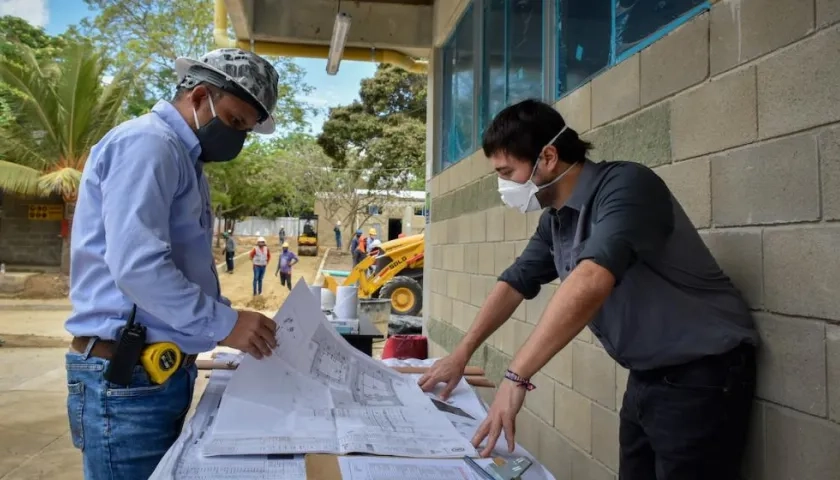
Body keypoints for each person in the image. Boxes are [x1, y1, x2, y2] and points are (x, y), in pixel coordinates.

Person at [417, 99, 759, 479]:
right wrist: (461, 353)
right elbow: (516, 281)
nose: (504, 186)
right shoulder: (557, 221)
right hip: (648, 376)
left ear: (547, 157)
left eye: (507, 171)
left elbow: (592, 279)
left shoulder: (627, 186)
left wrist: (516, 377)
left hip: (703, 374)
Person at [64, 48, 281, 480]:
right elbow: (139, 267)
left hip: (154, 373)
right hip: (126, 378)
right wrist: (226, 323)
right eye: (235, 122)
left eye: (246, 130)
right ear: (200, 95)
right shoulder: (149, 145)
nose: (236, 138)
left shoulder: (183, 159)